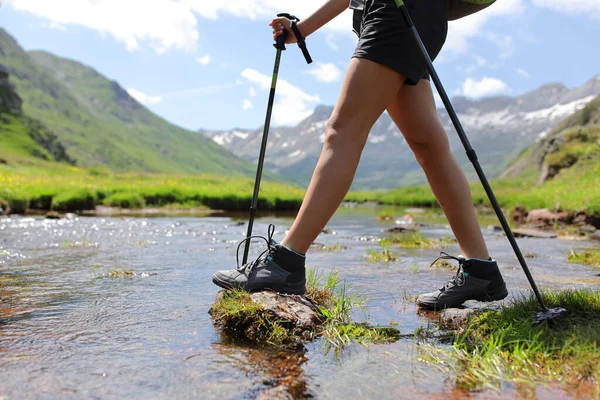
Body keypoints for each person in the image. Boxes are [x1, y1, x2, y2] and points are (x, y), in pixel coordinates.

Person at [212, 0, 508, 310]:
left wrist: (302, 30)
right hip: (419, 17)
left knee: (342, 132)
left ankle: (286, 261)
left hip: (394, 15)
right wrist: (301, 31)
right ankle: (481, 270)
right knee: (428, 147)